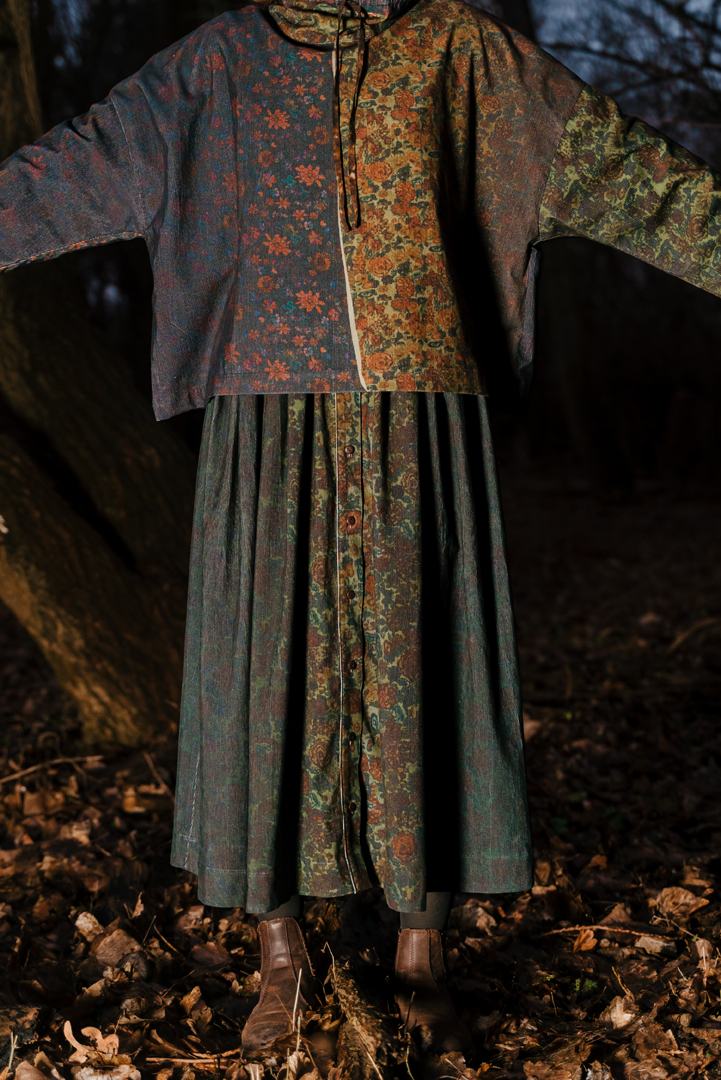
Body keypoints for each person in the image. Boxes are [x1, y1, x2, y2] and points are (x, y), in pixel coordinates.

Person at [2, 0, 721, 1058]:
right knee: (265, 667)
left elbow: (633, 175)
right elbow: (66, 170)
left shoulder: (461, 52)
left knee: (425, 659)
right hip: (266, 418)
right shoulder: (218, 64)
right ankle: (280, 951)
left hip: (418, 414)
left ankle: (422, 950)